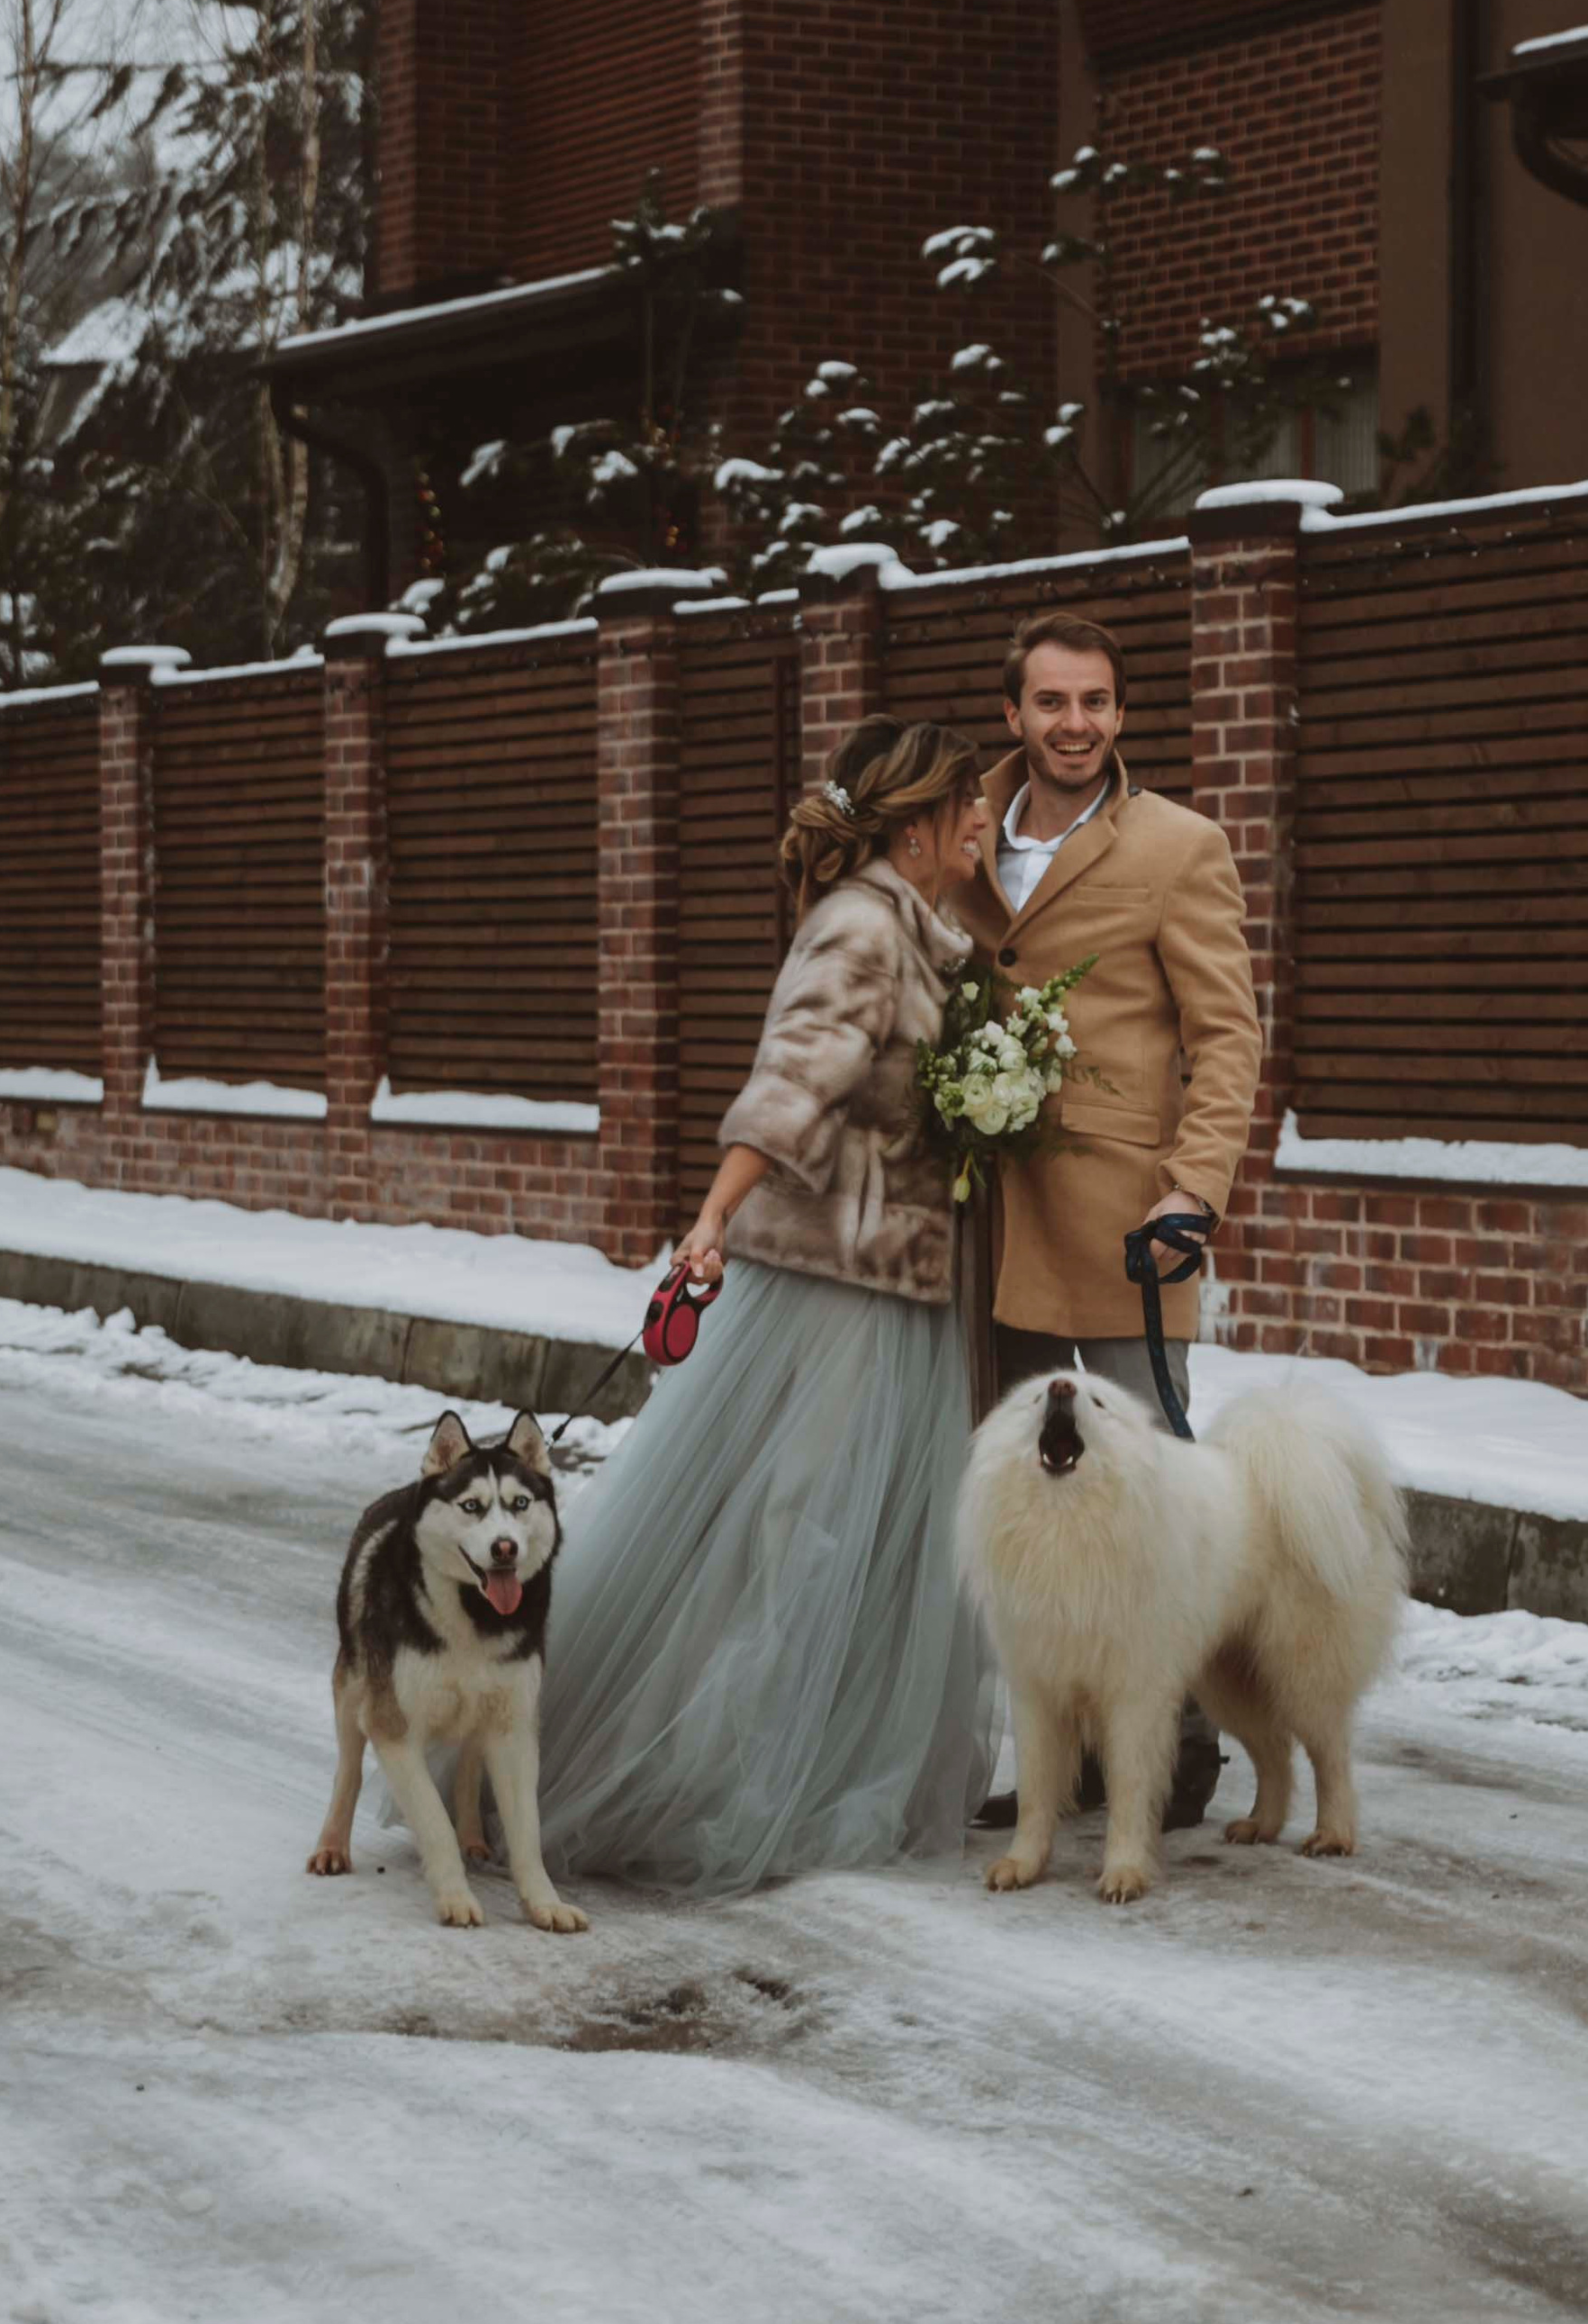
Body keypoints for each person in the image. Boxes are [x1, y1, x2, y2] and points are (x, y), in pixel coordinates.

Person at [535, 717, 1000, 1894]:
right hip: (837, 1290)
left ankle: (807, 1761)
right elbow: (793, 1079)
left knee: (863, 1544)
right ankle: (716, 1777)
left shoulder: (924, 926)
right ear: (915, 823)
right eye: (969, 803)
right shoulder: (861, 929)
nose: (990, 816)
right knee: (804, 1533)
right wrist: (710, 1218)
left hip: (897, 1285)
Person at [951, 609, 1264, 1831]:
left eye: (1095, 703)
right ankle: (1060, 1758)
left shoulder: (1180, 845)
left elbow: (1226, 1034)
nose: (1073, 724)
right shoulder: (958, 830)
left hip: (1134, 1223)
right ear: (1013, 712)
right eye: (1051, 703)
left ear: (1121, 714)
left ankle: (1179, 1745)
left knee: (1148, 1499)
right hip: (986, 1220)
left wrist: (1195, 1187)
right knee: (1031, 1504)